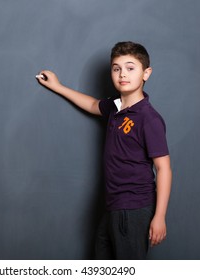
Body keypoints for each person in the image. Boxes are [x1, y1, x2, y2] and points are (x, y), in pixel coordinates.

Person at [36, 41, 172, 259]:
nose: (122, 74)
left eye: (130, 68)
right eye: (116, 68)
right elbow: (92, 104)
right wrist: (57, 86)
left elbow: (163, 169)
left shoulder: (149, 118)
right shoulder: (115, 107)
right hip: (113, 206)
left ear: (146, 73)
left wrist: (160, 216)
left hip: (134, 207)